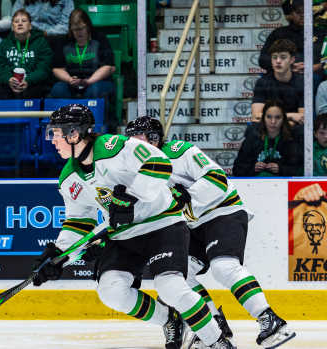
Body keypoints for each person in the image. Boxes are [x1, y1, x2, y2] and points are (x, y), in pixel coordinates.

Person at [34, 104, 234, 349]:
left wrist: (131, 196)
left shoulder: (114, 147)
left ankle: (218, 341)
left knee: (170, 286)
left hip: (163, 223)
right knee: (111, 291)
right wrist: (60, 255)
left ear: (74, 134)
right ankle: (169, 319)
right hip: (125, 234)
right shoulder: (69, 178)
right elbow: (80, 221)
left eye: (56, 133)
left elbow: (159, 162)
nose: (52, 140)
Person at [125, 116, 297, 349]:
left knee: (223, 267)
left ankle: (270, 320)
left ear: (154, 139)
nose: (133, 146)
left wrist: (189, 195)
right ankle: (215, 325)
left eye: (138, 140)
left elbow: (218, 179)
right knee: (180, 275)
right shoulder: (136, 172)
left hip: (222, 211)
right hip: (192, 224)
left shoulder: (180, 151)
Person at [50, 8, 115, 100]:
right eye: (75, 29)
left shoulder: (99, 38)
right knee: (58, 90)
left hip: (96, 81)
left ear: (87, 26)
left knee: (94, 91)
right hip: (72, 81)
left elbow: (109, 67)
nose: (78, 32)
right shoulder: (64, 41)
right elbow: (57, 69)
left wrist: (89, 81)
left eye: (81, 28)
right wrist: (69, 79)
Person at [0, 8, 52, 99]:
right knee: (0, 89)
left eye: (24, 21)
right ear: (12, 27)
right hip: (10, 84)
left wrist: (28, 80)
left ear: (30, 26)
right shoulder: (5, 44)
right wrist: (9, 79)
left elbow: (44, 68)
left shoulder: (41, 43)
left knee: (40, 87)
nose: (20, 23)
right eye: (16, 21)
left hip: (33, 83)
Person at [233, 100, 304, 177]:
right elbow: (237, 169)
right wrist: (253, 168)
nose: (273, 121)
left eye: (278, 117)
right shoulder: (252, 138)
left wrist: (281, 169)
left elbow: (300, 170)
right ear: (263, 118)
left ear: (284, 119)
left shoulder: (291, 139)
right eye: (269, 117)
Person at [259, 0, 325, 80]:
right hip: (282, 75)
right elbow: (263, 59)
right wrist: (287, 66)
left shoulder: (322, 34)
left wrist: (314, 67)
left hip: (313, 76)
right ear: (291, 14)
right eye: (298, 12)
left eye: (306, 12)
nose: (302, 15)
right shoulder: (279, 33)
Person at [252, 39, 304, 124]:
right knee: (252, 130)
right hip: (269, 127)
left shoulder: (302, 83)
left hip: (292, 128)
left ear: (292, 60)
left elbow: (302, 118)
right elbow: (256, 116)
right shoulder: (262, 82)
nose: (278, 61)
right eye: (274, 57)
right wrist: (291, 116)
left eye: (283, 57)